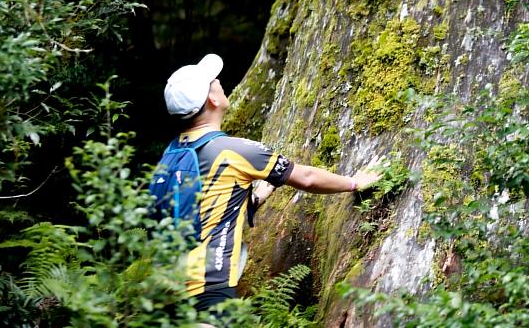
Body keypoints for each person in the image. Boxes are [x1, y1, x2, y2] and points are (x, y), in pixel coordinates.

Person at [162, 53, 382, 319]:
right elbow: (307, 177)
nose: (219, 82)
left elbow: (199, 205)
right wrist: (355, 182)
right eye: (214, 82)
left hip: (169, 282)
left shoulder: (172, 154)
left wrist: (254, 199)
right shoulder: (233, 150)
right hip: (209, 284)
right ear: (213, 99)